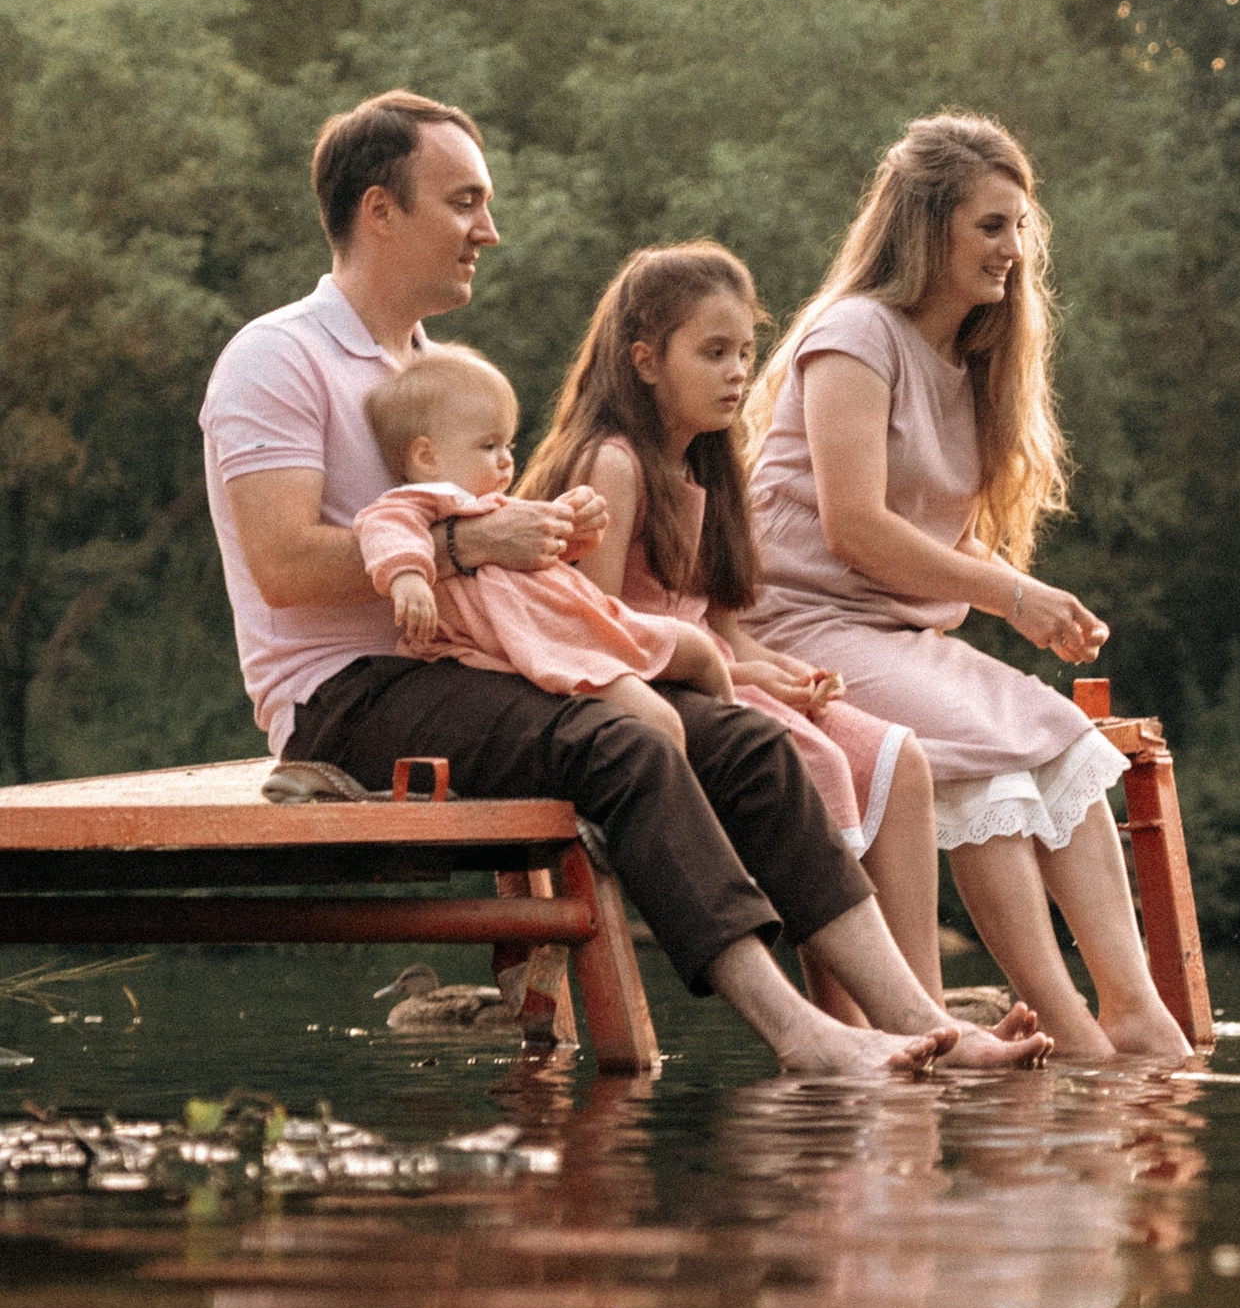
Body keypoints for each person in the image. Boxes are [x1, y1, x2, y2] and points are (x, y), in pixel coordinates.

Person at [198, 88, 1046, 1076]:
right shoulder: (277, 357)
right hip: (346, 697)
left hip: (478, 665)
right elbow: (283, 567)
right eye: (464, 203)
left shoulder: (439, 370)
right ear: (379, 210)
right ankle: (804, 1034)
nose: (488, 230)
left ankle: (919, 1022)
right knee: (621, 741)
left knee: (748, 741)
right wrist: (475, 543)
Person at [740, 111, 1189, 1060]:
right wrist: (1011, 598)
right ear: (925, 226)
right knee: (989, 754)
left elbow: (937, 533)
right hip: (799, 623)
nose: (1013, 250)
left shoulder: (973, 359)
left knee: (1062, 738)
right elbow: (855, 527)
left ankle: (1132, 1006)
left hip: (893, 633)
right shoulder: (854, 334)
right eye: (991, 226)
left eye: (1020, 227)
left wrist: (1029, 597)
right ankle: (1072, 1033)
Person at [518, 240, 945, 1014]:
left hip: (707, 677)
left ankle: (925, 1008)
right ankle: (854, 1021)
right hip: (641, 689)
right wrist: (736, 673)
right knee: (815, 759)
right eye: (714, 352)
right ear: (646, 361)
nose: (737, 371)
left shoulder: (710, 468)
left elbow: (723, 627)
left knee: (897, 758)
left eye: (746, 352)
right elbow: (590, 632)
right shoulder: (611, 465)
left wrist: (776, 671)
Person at [357, 344, 734, 755]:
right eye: (488, 446)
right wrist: (408, 578)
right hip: (546, 642)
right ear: (426, 457)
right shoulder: (421, 502)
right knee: (659, 723)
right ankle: (675, 784)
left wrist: (571, 527)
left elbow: (542, 557)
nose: (506, 460)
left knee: (701, 653)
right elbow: (385, 529)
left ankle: (724, 747)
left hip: (580, 618)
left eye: (509, 446)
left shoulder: (497, 508)